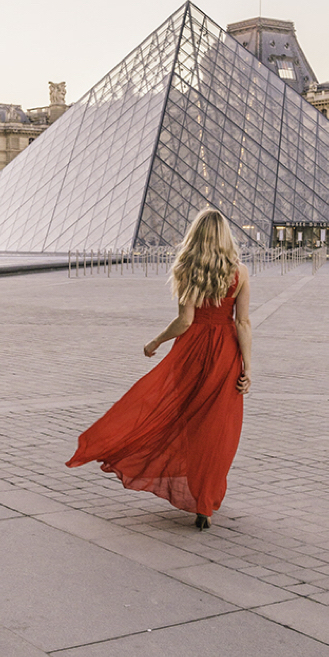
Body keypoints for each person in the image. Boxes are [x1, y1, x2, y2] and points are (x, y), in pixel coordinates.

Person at [66, 208, 251, 531]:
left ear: (194, 236)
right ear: (225, 237)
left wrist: (156, 341)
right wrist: (247, 365)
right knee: (219, 429)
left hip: (191, 353)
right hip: (225, 354)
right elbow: (243, 322)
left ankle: (195, 491)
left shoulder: (186, 269)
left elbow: (186, 321)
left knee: (188, 422)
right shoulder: (240, 272)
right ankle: (205, 503)